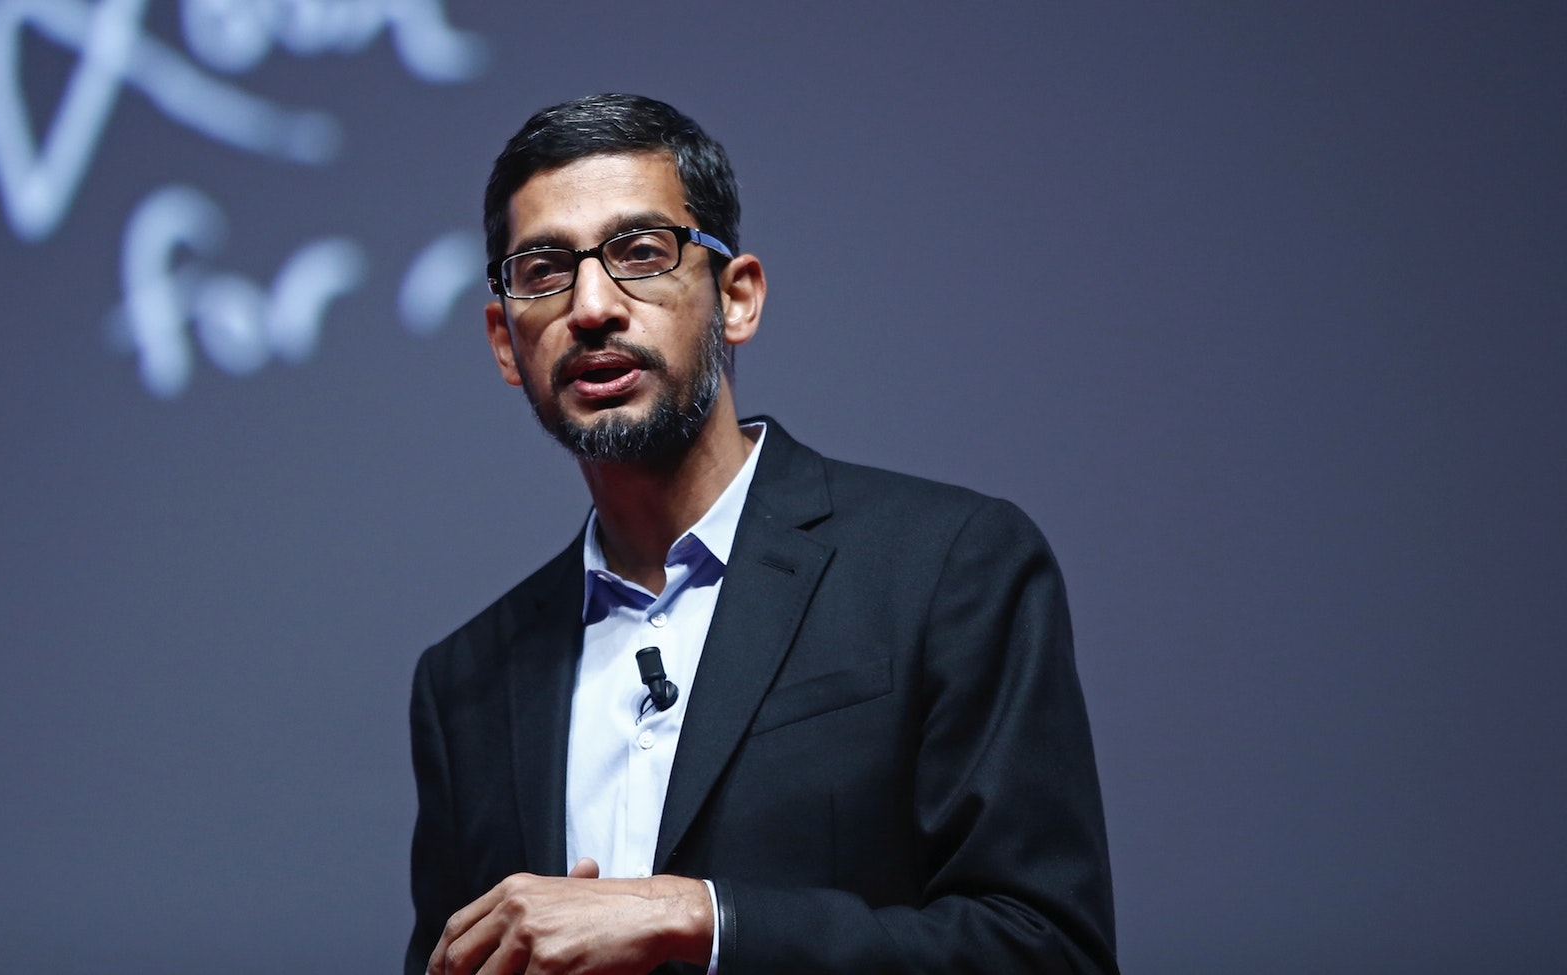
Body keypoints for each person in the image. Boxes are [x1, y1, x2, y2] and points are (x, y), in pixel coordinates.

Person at [407, 93, 1118, 975]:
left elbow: (1047, 952)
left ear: (736, 297)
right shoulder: (466, 681)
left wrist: (701, 917)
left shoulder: (949, 567)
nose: (591, 305)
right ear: (506, 344)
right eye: (545, 270)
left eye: (640, 253)